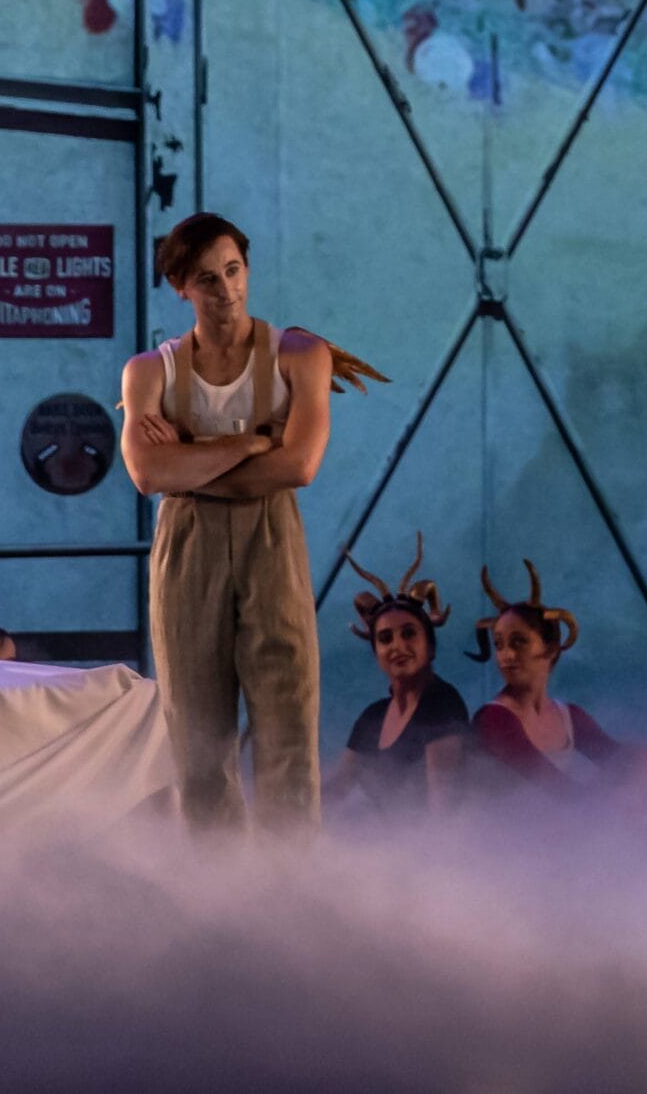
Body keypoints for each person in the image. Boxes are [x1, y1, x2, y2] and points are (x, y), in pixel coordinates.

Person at [119, 212, 378, 832]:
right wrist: (246, 445)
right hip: (187, 543)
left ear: (248, 268)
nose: (226, 290)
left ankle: (289, 888)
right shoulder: (150, 371)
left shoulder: (300, 354)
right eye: (207, 279)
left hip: (271, 534)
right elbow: (148, 477)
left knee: (288, 716)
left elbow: (299, 466)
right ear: (181, 287)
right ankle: (218, 893)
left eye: (234, 271)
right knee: (197, 731)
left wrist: (191, 457)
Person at [469, 561, 647, 826]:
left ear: (550, 649)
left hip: (569, 824)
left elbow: (618, 758)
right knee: (645, 814)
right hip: (517, 836)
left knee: (644, 757)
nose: (506, 656)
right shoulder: (494, 719)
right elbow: (550, 786)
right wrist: (631, 813)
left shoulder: (568, 715)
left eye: (518, 642)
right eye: (499, 645)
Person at [332, 535, 469, 816]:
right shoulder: (373, 717)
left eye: (409, 633)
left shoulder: (442, 703)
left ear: (430, 647)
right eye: (385, 638)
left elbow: (441, 806)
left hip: (427, 852)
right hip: (384, 846)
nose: (397, 647)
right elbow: (337, 788)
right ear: (375, 652)